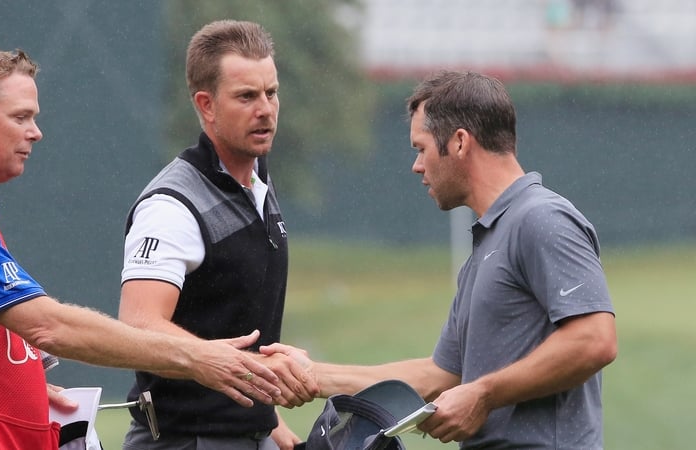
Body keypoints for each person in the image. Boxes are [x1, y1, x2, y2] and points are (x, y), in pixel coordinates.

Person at [0, 44, 285, 450]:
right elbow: (50, 326)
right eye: (20, 117)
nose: (35, 131)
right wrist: (198, 359)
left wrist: (12, 382)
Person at [263, 70, 618, 449]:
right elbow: (440, 376)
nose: (417, 165)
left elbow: (594, 339)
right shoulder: (486, 246)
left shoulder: (541, 218)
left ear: (460, 142)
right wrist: (313, 375)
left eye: (421, 148)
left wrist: (483, 394)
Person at [118, 20, 318, 450]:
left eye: (271, 92)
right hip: (184, 441)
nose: (265, 109)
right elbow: (138, 326)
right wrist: (235, 369)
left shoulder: (257, 177)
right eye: (246, 96)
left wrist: (271, 423)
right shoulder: (171, 206)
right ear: (206, 105)